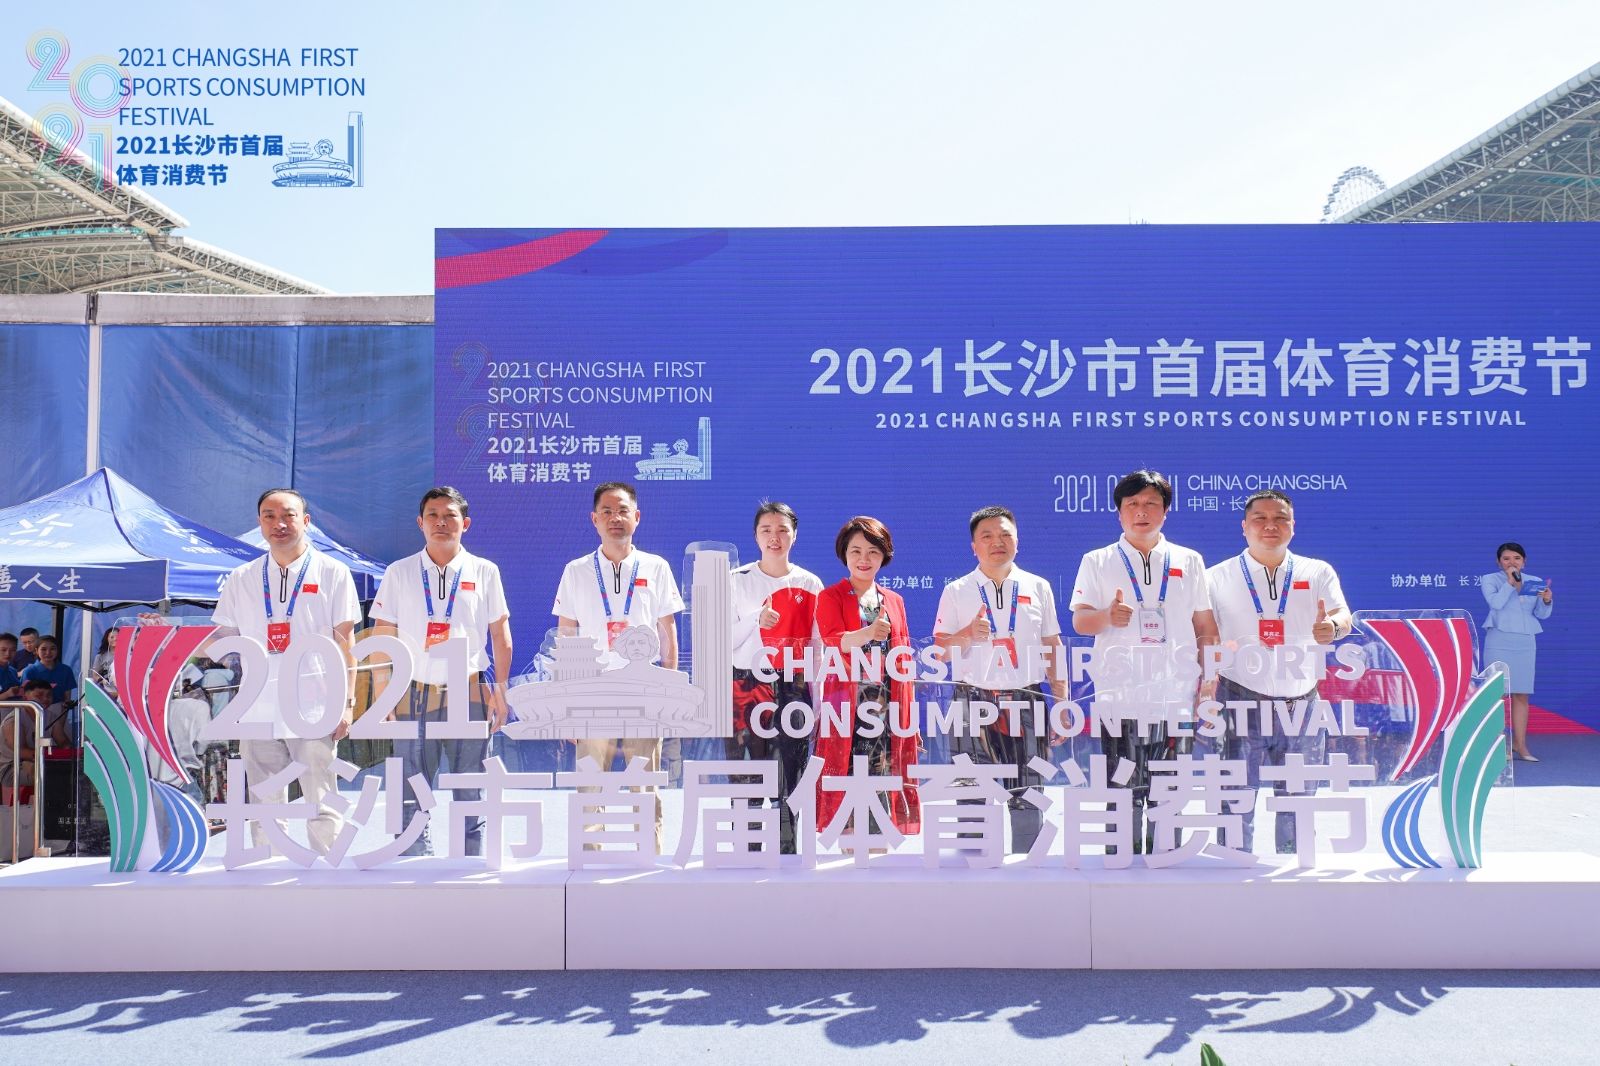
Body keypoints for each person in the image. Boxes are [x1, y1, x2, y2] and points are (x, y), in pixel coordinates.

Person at [1071, 471, 1217, 854]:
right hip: (1119, 696)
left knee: (1170, 792)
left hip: (1177, 695)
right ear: (1119, 512)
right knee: (1122, 790)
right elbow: (1080, 621)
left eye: (1151, 503)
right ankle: (1121, 868)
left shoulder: (1189, 560)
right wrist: (1107, 616)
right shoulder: (1097, 560)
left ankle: (1167, 864)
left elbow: (1205, 627)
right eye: (1132, 504)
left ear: (1165, 511)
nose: (1141, 511)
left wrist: (1208, 684)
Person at [211, 488, 360, 857]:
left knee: (320, 798)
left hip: (315, 706)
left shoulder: (333, 572)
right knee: (265, 802)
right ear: (259, 522)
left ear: (305, 521)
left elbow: (346, 644)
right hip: (257, 706)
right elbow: (223, 638)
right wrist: (171, 638)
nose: (279, 523)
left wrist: (347, 703)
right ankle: (266, 869)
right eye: (269, 516)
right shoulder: (241, 577)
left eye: (288, 515)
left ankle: (327, 871)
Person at [1203, 489, 1351, 856]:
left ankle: (1291, 876)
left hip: (1301, 703)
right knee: (1234, 802)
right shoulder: (1216, 577)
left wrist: (1332, 628)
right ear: (1244, 526)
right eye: (1261, 519)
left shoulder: (1317, 571)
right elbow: (1204, 636)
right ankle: (1233, 871)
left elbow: (1342, 615)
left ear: (1293, 526)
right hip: (1238, 700)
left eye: (1280, 518)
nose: (1271, 525)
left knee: (1298, 803)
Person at [371, 486, 513, 856]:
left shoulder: (485, 571)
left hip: (469, 690)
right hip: (413, 691)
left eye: (450, 516)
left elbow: (500, 635)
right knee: (409, 789)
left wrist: (501, 691)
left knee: (472, 788)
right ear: (420, 523)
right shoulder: (400, 572)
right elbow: (383, 636)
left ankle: (470, 865)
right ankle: (412, 864)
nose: (441, 522)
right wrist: (384, 695)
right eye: (433, 515)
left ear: (465, 524)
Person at [553, 481, 683, 851]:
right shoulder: (576, 570)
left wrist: (670, 693)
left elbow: (667, 632)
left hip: (645, 690)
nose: (615, 518)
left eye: (623, 510)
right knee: (591, 783)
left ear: (636, 517)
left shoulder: (656, 567)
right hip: (592, 690)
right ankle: (589, 858)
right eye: (607, 511)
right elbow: (566, 634)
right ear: (594, 519)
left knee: (645, 783)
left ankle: (649, 856)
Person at [934, 504, 1065, 853]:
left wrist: (1062, 700)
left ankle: (1027, 868)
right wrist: (967, 633)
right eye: (987, 536)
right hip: (972, 701)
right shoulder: (957, 590)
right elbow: (939, 651)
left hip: (1026, 699)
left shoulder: (1038, 586)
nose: (997, 542)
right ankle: (971, 870)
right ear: (974, 546)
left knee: (1028, 792)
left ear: (1017, 541)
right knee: (972, 794)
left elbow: (1052, 646)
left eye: (1005, 534)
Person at [814, 516, 921, 839]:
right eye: (856, 551)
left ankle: (877, 855)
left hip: (887, 708)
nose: (864, 559)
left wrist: (909, 718)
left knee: (883, 780)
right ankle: (851, 854)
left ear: (884, 555)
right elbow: (834, 640)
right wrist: (868, 632)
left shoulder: (894, 601)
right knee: (847, 778)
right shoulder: (830, 596)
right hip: (847, 708)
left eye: (873, 551)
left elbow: (903, 660)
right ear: (844, 554)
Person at [729, 501, 822, 853]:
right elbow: (723, 640)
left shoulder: (809, 582)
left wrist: (818, 698)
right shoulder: (735, 580)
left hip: (793, 685)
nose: (775, 537)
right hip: (745, 683)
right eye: (766, 530)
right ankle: (746, 852)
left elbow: (818, 646)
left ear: (794, 536)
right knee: (747, 775)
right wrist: (756, 618)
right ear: (755, 536)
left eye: (783, 530)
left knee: (790, 774)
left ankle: (787, 853)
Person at [1481, 541, 1554, 763]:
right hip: (1499, 639)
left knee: (1521, 694)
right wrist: (1510, 583)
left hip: (1525, 641)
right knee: (1497, 695)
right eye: (1506, 559)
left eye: (1516, 558)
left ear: (1524, 561)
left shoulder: (1534, 581)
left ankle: (1520, 745)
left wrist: (1547, 600)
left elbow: (1541, 614)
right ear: (1498, 562)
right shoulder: (1490, 580)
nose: (1511, 562)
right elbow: (1496, 604)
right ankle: (1498, 745)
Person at [19, 636, 76, 706]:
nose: (48, 653)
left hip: (59, 710)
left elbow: (67, 697)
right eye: (43, 649)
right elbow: (24, 697)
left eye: (52, 649)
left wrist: (66, 705)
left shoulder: (66, 670)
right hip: (36, 710)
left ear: (57, 650)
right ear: (36, 651)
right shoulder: (29, 671)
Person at [0, 633, 21, 701]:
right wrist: (7, 694)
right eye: (3, 650)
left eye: (13, 650)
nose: (8, 654)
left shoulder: (13, 671)